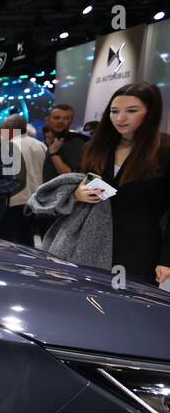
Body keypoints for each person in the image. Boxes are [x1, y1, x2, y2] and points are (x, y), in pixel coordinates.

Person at [72, 82, 170, 286]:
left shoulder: (164, 151)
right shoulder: (94, 148)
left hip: (139, 251)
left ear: (150, 112)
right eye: (114, 111)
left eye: (132, 111)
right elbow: (80, 182)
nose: (120, 118)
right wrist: (77, 194)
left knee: (130, 310)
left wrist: (166, 259)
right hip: (91, 243)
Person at [0, 113, 47, 246]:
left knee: (11, 241)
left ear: (9, 130)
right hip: (37, 199)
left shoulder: (9, 146)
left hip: (15, 200)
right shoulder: (40, 145)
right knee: (27, 239)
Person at [42, 103, 88, 182]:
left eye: (66, 118)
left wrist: (54, 154)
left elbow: (71, 176)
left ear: (72, 120)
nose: (61, 121)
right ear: (47, 120)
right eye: (57, 118)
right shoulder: (48, 141)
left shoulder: (77, 142)